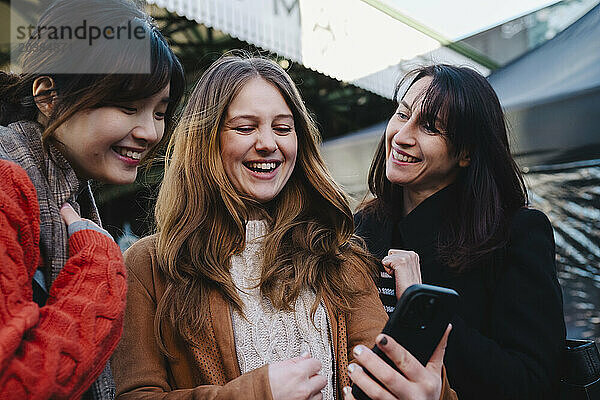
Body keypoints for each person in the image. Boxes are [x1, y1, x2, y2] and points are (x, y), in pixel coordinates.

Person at [111, 53, 457, 400]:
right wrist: (257, 393)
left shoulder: (338, 255)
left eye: (282, 128)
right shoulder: (149, 265)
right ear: (206, 139)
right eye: (245, 128)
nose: (267, 144)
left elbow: (391, 377)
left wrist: (425, 392)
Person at [0, 0, 184, 398]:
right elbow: (14, 385)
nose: (151, 132)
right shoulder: (6, 187)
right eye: (128, 106)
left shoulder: (65, 194)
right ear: (48, 97)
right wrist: (98, 267)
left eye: (159, 111)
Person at [354, 64, 566, 400]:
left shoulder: (515, 233)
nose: (402, 136)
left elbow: (531, 382)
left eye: (430, 128)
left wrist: (423, 304)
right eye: (402, 114)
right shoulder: (363, 226)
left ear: (466, 152)